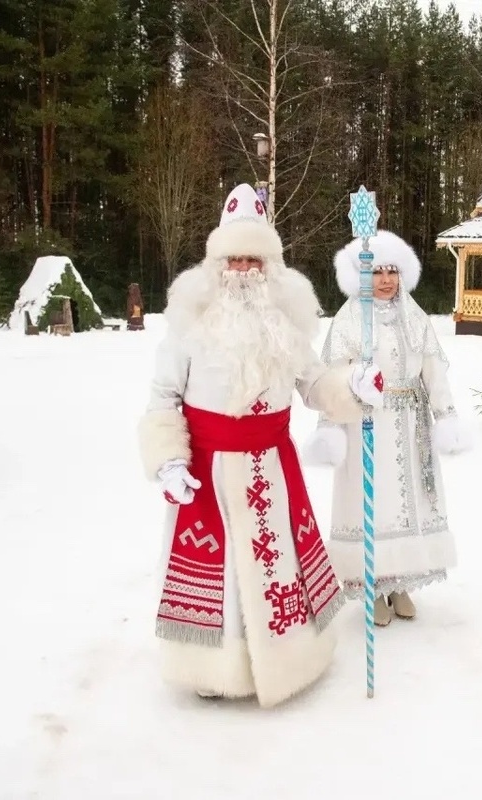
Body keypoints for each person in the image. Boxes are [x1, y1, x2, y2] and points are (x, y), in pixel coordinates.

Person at [136, 183, 384, 707]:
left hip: (273, 470)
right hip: (211, 474)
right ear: (216, 262)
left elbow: (315, 385)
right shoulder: (186, 325)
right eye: (234, 257)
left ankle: (292, 659)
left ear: (270, 264)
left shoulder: (287, 325)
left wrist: (352, 387)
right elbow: (163, 398)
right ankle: (215, 669)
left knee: (278, 567)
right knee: (221, 576)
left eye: (254, 258)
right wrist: (168, 460)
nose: (243, 268)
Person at [303, 230, 470, 626]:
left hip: (411, 425)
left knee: (408, 504)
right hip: (366, 423)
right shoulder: (349, 319)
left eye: (392, 271)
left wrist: (445, 416)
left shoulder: (414, 316)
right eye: (377, 272)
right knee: (374, 504)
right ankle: (372, 585)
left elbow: (433, 370)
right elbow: (330, 379)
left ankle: (400, 583)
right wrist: (332, 420)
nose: (385, 280)